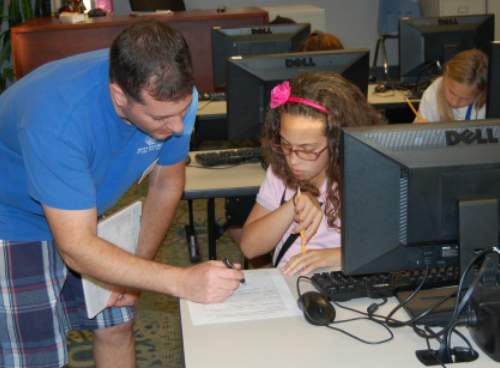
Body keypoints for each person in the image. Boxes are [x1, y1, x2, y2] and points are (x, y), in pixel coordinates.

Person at [0, 20, 243, 368]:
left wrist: (137, 272)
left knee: (117, 323)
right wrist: (180, 280)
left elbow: (166, 183)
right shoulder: (58, 120)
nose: (177, 128)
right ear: (119, 96)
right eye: (161, 118)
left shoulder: (170, 95)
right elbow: (76, 248)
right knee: (37, 355)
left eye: (182, 111)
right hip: (12, 217)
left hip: (81, 203)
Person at [240, 72, 384, 275]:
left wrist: (333, 256)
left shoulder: (364, 176)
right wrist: (294, 204)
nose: (292, 159)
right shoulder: (279, 171)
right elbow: (250, 247)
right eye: (285, 144)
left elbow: (387, 249)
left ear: (337, 145)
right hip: (292, 283)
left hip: (347, 280)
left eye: (307, 150)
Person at [414, 48, 488, 123]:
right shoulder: (433, 92)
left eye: (464, 99)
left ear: (480, 94)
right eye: (451, 92)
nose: (454, 102)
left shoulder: (488, 106)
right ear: (445, 77)